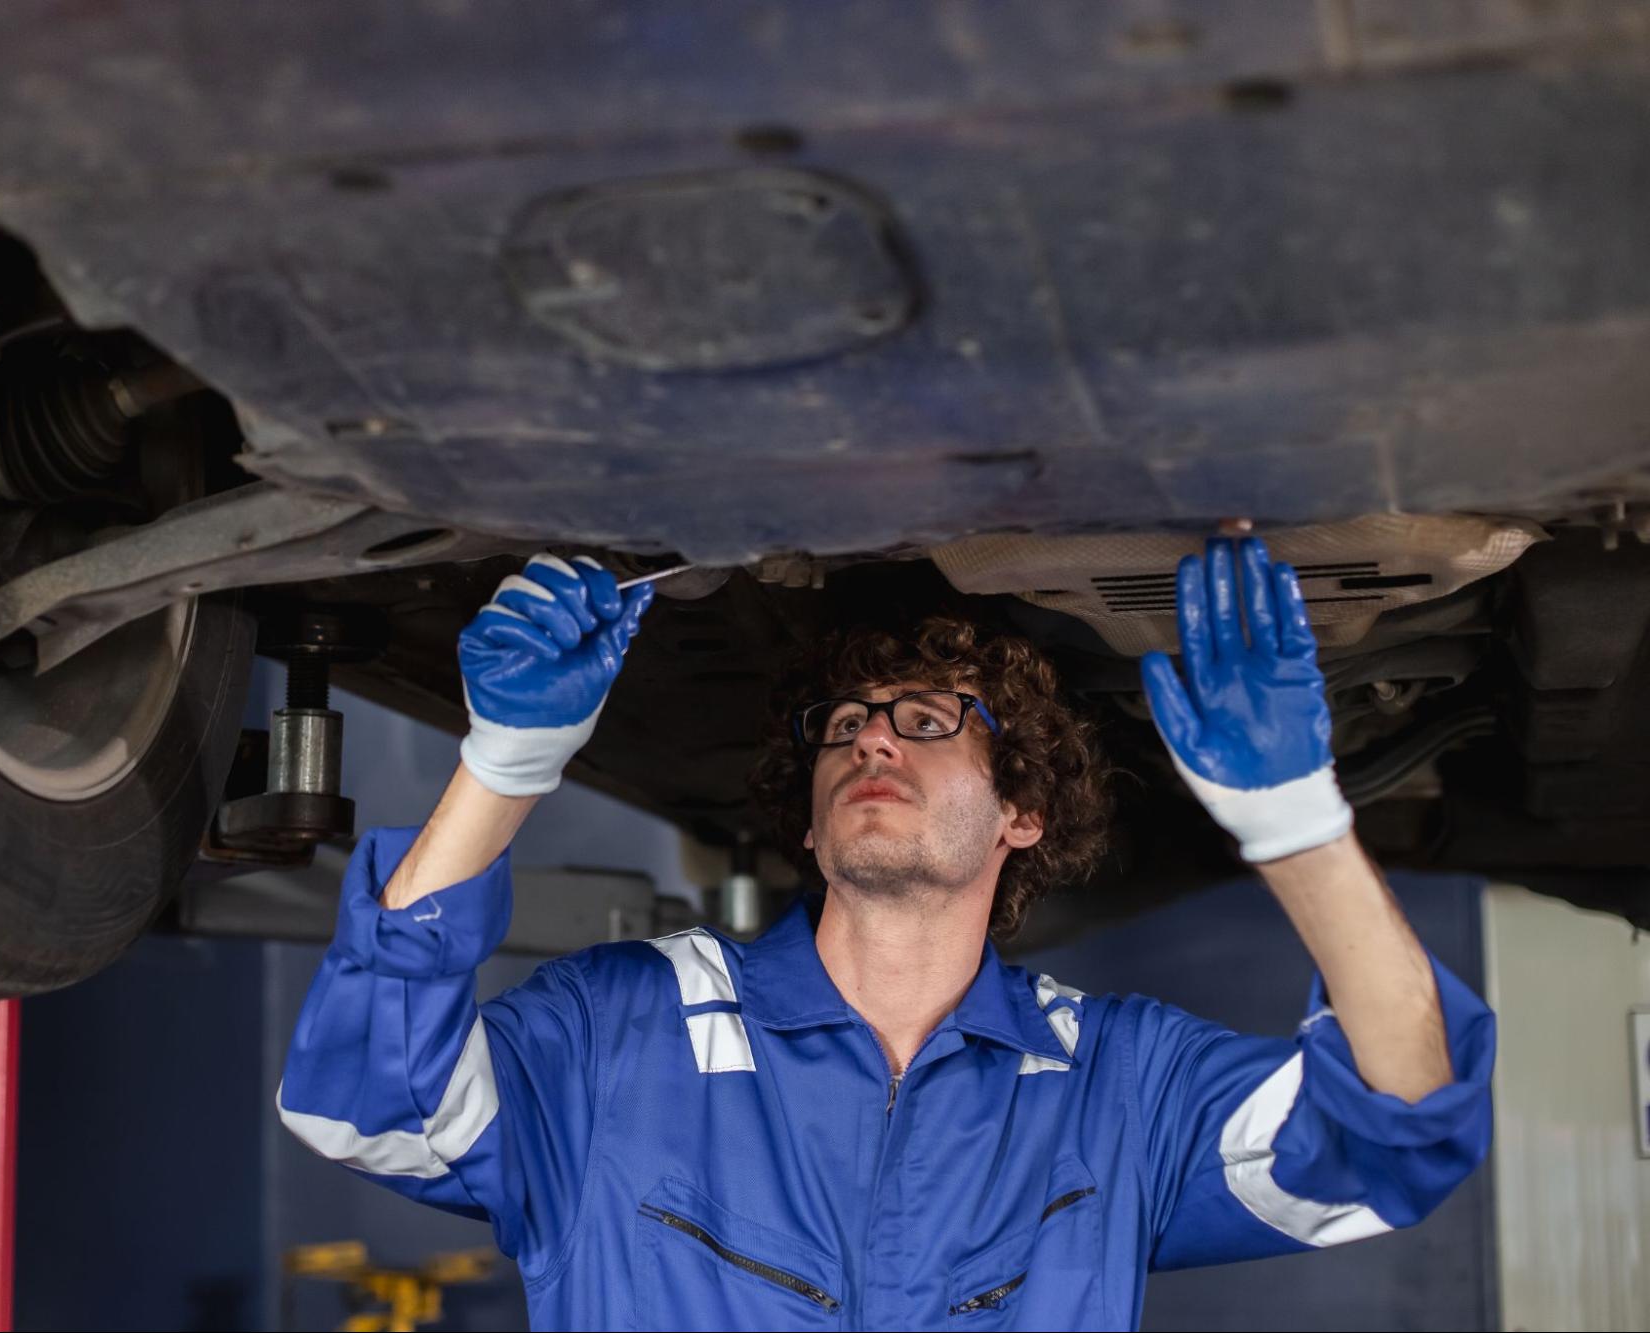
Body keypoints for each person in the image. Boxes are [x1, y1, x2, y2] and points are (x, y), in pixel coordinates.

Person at [277, 539, 1494, 1331]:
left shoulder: (1120, 1085)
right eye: (845, 725)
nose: (869, 739)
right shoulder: (621, 1026)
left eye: (925, 720)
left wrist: (1295, 822)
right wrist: (505, 760)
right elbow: (365, 1104)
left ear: (1020, 810)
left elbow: (1401, 1125)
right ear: (806, 825)